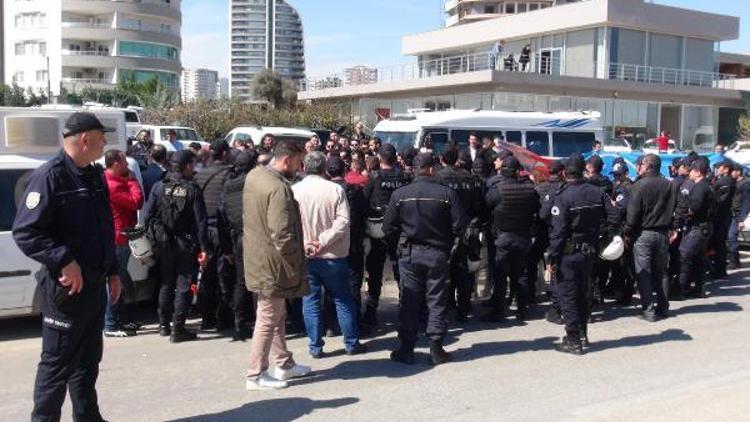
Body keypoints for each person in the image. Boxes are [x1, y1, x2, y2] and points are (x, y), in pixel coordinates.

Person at [13, 112, 120, 422]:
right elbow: (26, 232)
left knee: (87, 362)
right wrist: (63, 259)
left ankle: (88, 417)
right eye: (102, 138)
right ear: (85, 139)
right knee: (57, 364)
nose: (105, 145)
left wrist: (113, 271)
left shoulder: (94, 176)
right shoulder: (50, 177)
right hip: (66, 291)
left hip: (94, 286)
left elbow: (103, 229)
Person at [383, 153, 468, 365]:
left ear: (414, 169)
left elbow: (388, 227)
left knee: (409, 301)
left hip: (409, 254)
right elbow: (460, 226)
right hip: (437, 254)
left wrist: (399, 244)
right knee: (436, 301)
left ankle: (407, 348)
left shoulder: (400, 194)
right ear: (431, 169)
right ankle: (436, 348)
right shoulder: (447, 194)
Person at [243, 141, 311, 390]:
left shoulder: (255, 176)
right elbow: (282, 234)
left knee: (275, 316)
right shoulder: (278, 189)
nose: (299, 167)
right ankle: (255, 374)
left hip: (259, 258)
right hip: (274, 264)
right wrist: (297, 259)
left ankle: (284, 363)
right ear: (286, 159)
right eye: (297, 162)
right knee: (268, 318)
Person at [292, 152, 367, 358]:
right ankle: (351, 343)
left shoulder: (294, 191)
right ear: (324, 168)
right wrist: (323, 241)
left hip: (307, 255)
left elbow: (288, 223)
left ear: (305, 167)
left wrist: (309, 243)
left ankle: (315, 346)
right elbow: (343, 222)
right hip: (333, 255)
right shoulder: (335, 190)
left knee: (311, 301)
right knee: (343, 299)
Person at [547, 154, 619, 355]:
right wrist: (603, 239)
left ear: (564, 173)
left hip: (568, 254)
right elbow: (614, 216)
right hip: (589, 252)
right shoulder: (597, 193)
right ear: (583, 171)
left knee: (569, 296)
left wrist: (552, 256)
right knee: (583, 293)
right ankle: (582, 334)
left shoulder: (563, 196)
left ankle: (573, 341)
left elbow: (559, 231)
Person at [141, 150, 210, 342]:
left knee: (165, 283)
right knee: (184, 285)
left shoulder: (158, 187)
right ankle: (178, 329)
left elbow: (146, 216)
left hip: (163, 244)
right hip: (185, 244)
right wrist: (205, 248)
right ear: (187, 166)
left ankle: (164, 325)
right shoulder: (192, 189)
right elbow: (201, 222)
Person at [483, 156, 540, 322]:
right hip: (523, 237)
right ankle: (522, 309)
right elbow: (537, 209)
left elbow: (486, 208)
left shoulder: (497, 190)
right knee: (520, 275)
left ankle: (499, 311)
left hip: (503, 238)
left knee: (500, 276)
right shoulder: (530, 189)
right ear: (517, 171)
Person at [362, 144, 412, 329]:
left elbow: (364, 201)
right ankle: (405, 308)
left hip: (379, 231)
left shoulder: (374, 177)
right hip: (400, 229)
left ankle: (371, 311)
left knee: (375, 273)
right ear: (395, 158)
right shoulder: (405, 178)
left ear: (380, 158)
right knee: (402, 271)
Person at [624, 154, 678, 322]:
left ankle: (648, 310)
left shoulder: (639, 185)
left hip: (643, 234)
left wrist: (626, 231)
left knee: (644, 273)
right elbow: (679, 207)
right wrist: (673, 227)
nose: (638, 167)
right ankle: (663, 307)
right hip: (662, 233)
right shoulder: (669, 185)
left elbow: (632, 215)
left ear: (647, 166)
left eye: (639, 164)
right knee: (662, 272)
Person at [437, 148, 485, 322]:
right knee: (465, 270)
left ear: (442, 159)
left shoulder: (438, 178)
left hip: (445, 229)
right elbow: (479, 205)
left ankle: (449, 304)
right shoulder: (471, 179)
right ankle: (464, 308)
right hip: (467, 230)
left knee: (445, 269)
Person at [193, 139, 236, 330]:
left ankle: (207, 316)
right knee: (223, 274)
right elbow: (228, 205)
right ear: (225, 153)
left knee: (206, 275)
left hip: (202, 230)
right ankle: (223, 317)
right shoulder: (228, 175)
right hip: (220, 229)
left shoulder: (199, 175)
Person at [218, 150, 258, 341]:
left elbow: (222, 217)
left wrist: (227, 248)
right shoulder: (255, 184)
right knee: (259, 282)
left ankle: (240, 324)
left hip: (238, 238)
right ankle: (261, 325)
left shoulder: (228, 186)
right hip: (256, 237)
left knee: (241, 282)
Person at [103, 149, 144, 337]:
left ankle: (121, 320)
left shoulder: (110, 180)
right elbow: (137, 202)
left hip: (119, 236)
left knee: (121, 279)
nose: (128, 168)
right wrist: (133, 180)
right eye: (125, 164)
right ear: (117, 164)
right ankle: (111, 323)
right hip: (118, 238)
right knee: (116, 280)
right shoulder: (114, 185)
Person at [328, 156, 370, 335]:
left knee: (330, 284)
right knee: (353, 283)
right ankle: (354, 323)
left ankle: (331, 324)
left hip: (329, 242)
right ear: (344, 171)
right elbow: (365, 213)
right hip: (353, 242)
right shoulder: (354, 191)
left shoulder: (325, 191)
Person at [675, 159, 715, 300]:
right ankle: (699, 289)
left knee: (684, 256)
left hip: (698, 228)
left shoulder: (699, 187)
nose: (689, 172)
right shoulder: (706, 185)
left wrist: (681, 213)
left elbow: (694, 208)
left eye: (691, 170)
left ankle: (681, 290)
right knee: (699, 258)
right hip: (704, 227)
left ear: (697, 172)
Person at [536, 160, 565, 324]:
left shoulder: (544, 189)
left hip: (552, 234)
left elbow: (542, 214)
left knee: (555, 270)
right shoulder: (570, 188)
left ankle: (556, 308)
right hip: (565, 235)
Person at [608, 157, 636, 305]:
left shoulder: (624, 188)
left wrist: (612, 204)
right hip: (628, 228)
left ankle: (624, 294)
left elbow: (619, 209)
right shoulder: (629, 185)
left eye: (618, 175)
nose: (616, 177)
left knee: (622, 264)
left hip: (624, 229)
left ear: (625, 173)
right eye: (614, 175)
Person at [711, 159, 736, 277]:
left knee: (720, 243)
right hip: (721, 216)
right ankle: (718, 268)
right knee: (718, 243)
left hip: (722, 216)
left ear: (726, 169)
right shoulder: (721, 180)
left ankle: (720, 269)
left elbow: (720, 200)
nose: (717, 169)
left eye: (720, 167)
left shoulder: (726, 182)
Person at [729, 163, 749, 269]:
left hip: (738, 215)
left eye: (733, 171)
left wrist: (742, 219)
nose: (731, 173)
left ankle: (735, 261)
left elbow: (746, 203)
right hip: (731, 213)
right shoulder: (734, 183)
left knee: (732, 237)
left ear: (739, 172)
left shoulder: (745, 184)